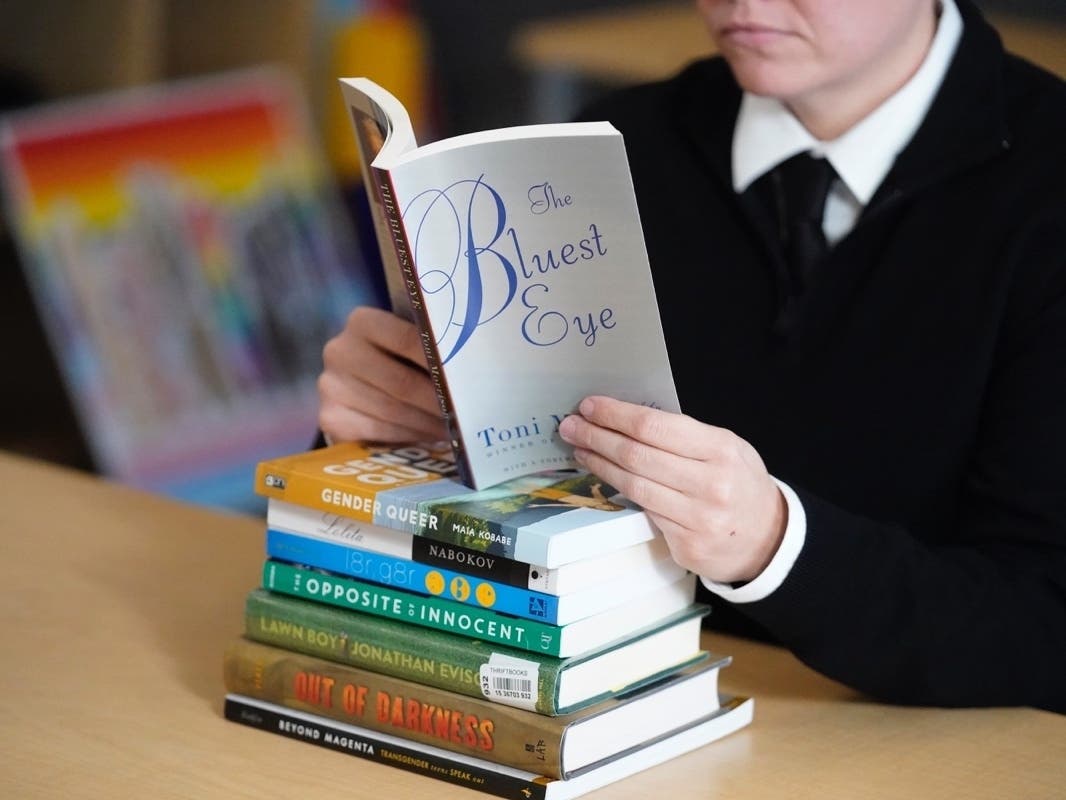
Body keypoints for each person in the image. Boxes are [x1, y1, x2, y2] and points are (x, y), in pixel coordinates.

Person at [318, 0, 1066, 713]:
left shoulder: (1043, 191)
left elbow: (1040, 626)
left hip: (906, 744)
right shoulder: (615, 147)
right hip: (613, 706)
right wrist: (379, 436)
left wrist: (776, 544)